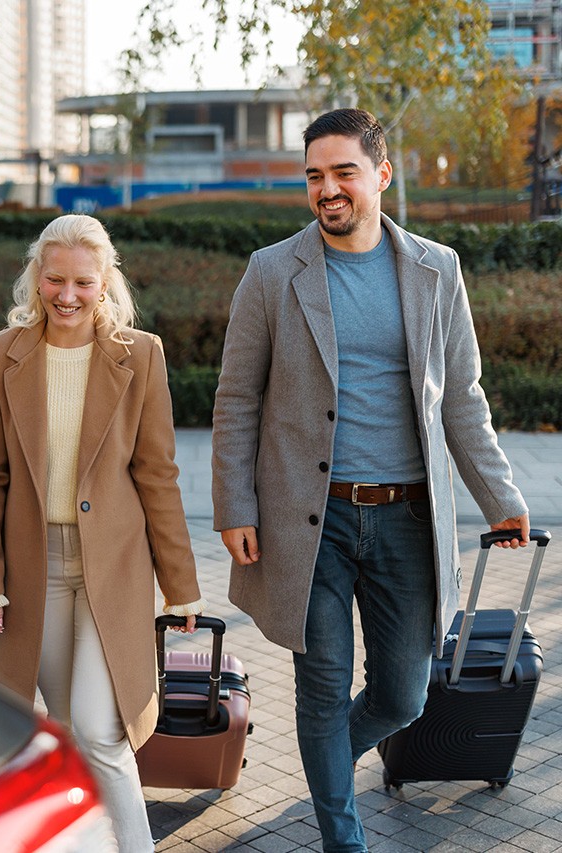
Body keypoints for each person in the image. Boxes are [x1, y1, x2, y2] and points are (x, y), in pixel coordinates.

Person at [211, 108, 530, 852]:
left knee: (403, 693)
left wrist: (502, 498)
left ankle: (326, 765)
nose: (328, 189)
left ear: (382, 174)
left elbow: (462, 398)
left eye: (343, 172)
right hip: (305, 521)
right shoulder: (271, 271)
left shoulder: (435, 268)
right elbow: (236, 398)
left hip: (407, 521)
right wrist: (235, 504)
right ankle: (341, 837)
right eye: (314, 176)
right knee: (320, 687)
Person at [0, 213, 205, 852]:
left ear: (106, 283)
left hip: (114, 569)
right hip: (31, 571)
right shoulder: (3, 353)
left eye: (83, 283)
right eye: (55, 280)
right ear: (35, 278)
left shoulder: (140, 354)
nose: (67, 296)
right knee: (65, 726)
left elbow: (158, 476)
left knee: (101, 730)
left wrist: (181, 585)